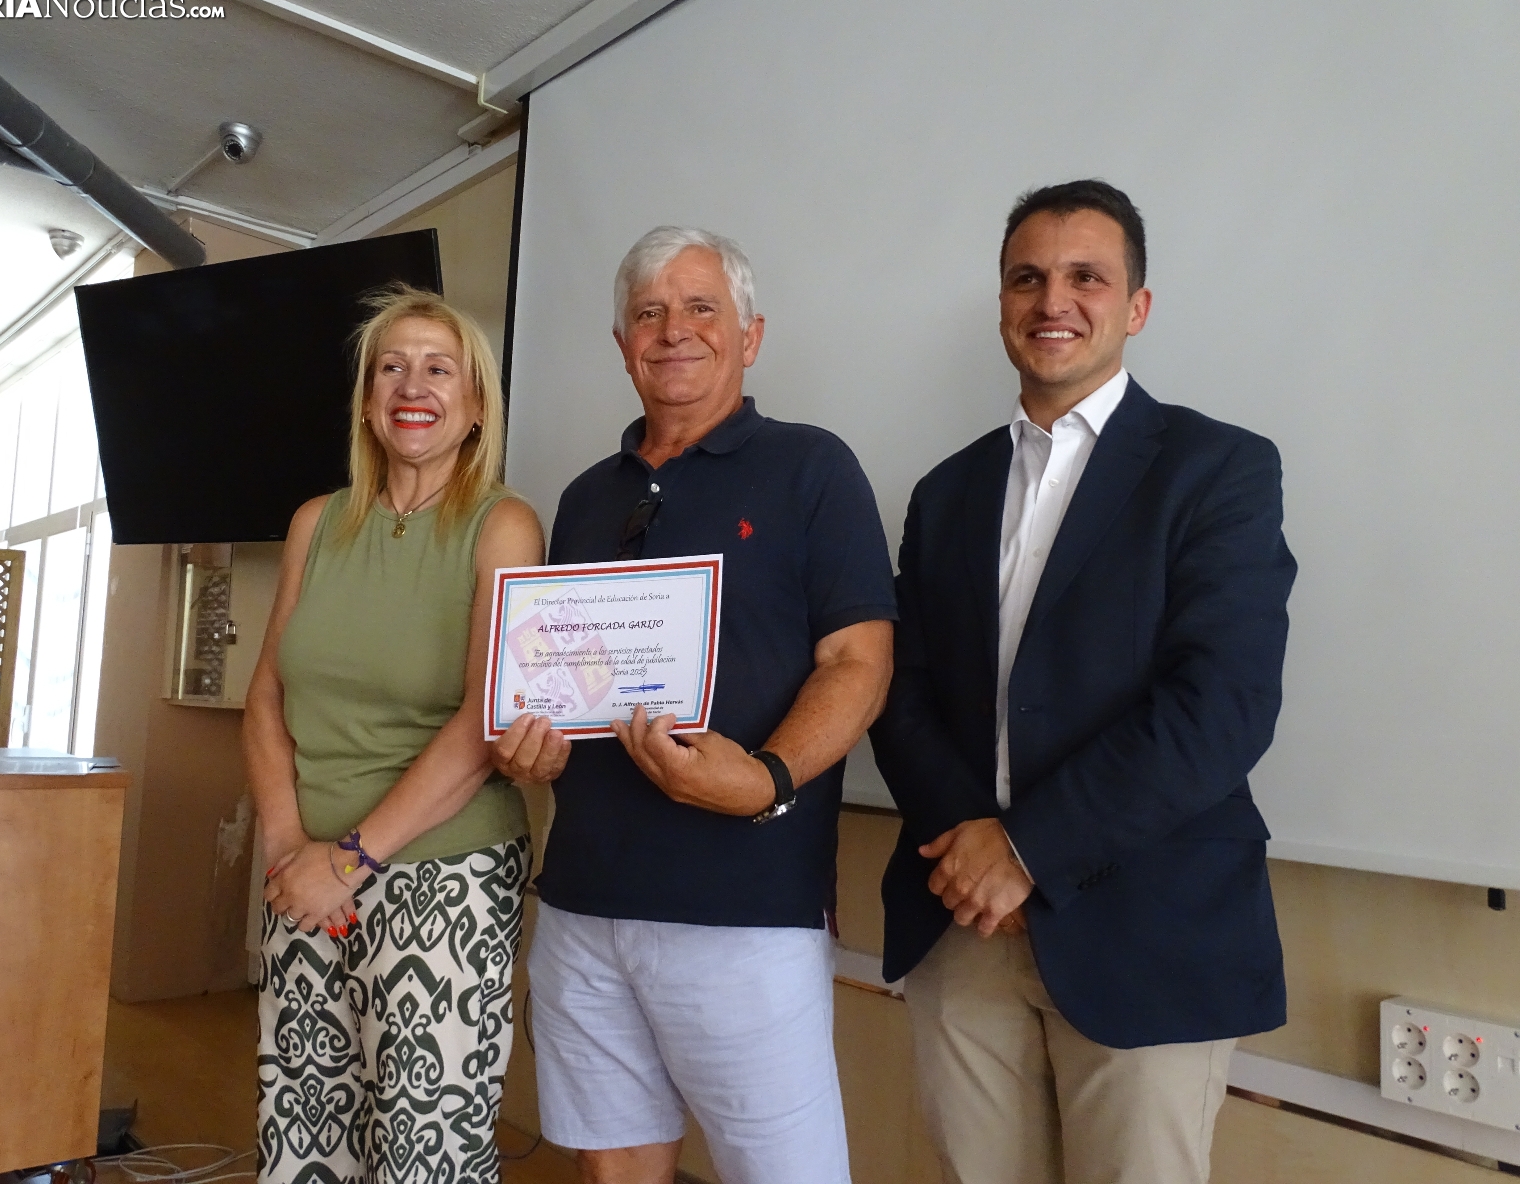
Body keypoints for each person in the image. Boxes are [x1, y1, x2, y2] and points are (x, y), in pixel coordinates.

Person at [870, 180, 1297, 1184]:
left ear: (1135, 307)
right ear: (1002, 304)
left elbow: (1221, 707)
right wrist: (973, 848)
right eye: (1027, 278)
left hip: (1148, 926)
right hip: (962, 921)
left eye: (1085, 277)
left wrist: (1026, 849)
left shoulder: (1219, 469)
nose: (1051, 300)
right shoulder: (945, 491)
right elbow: (901, 687)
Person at [494, 226, 895, 1184]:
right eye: (649, 312)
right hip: (582, 904)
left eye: (701, 308)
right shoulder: (583, 498)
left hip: (745, 913)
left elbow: (860, 660)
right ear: (623, 343)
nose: (674, 330)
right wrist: (529, 747)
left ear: (750, 335)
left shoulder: (813, 468)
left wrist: (766, 779)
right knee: (616, 1168)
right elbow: (561, 683)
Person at [245, 285, 545, 1184]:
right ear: (369, 401)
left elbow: (483, 719)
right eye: (392, 368)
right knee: (303, 1135)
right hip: (304, 874)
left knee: (423, 1153)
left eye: (439, 369)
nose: (413, 386)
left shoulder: (504, 525)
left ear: (476, 405)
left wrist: (350, 860)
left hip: (444, 872)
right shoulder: (316, 523)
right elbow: (266, 697)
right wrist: (290, 847)